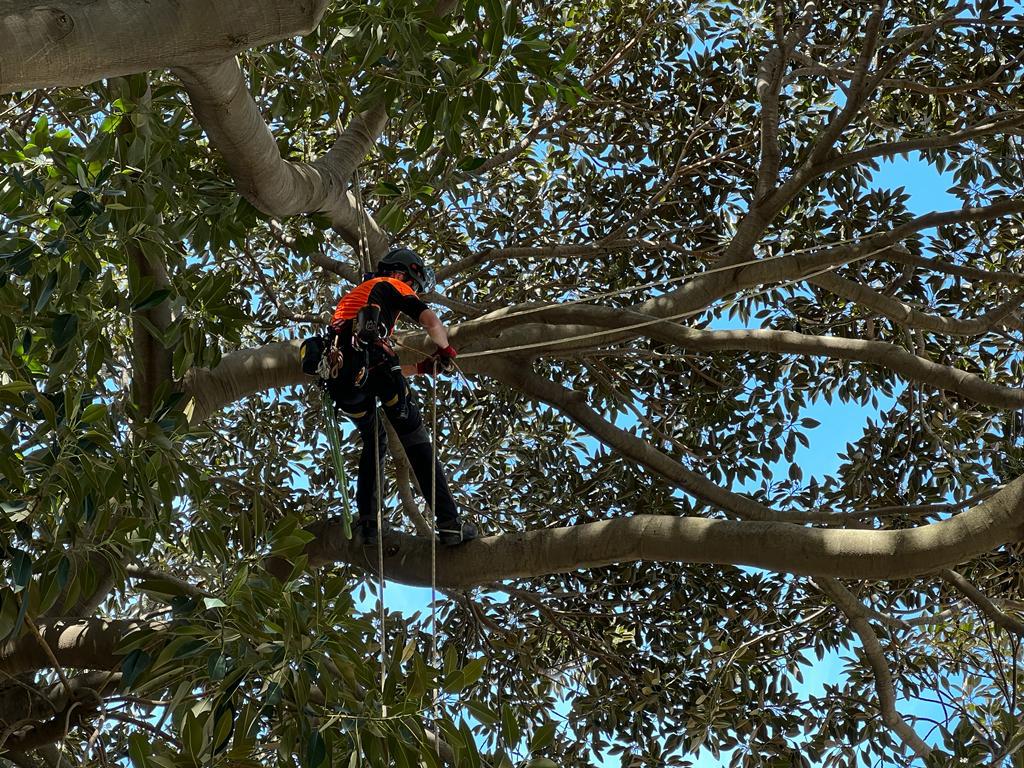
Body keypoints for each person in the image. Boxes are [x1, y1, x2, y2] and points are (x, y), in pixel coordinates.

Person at [312, 247, 478, 547]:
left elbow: (371, 363)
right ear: (403, 273)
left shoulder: (354, 301)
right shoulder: (391, 285)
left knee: (375, 440)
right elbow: (430, 322)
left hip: (343, 383)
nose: (413, 292)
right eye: (414, 286)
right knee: (414, 437)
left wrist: (422, 368)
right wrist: (445, 350)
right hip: (373, 366)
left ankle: (368, 525)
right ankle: (450, 524)